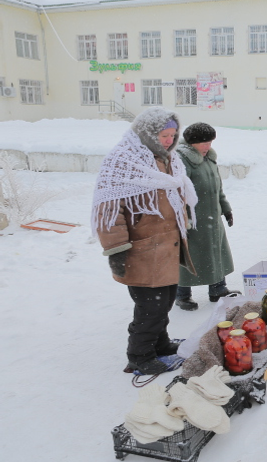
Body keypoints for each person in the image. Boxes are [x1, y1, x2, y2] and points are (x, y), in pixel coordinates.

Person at [92, 107, 198, 375]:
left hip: (167, 247)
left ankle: (160, 344)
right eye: (164, 135)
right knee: (150, 308)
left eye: (173, 135)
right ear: (147, 133)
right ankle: (140, 356)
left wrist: (183, 223)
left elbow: (176, 195)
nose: (169, 141)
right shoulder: (123, 160)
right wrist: (116, 250)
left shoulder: (169, 159)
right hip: (141, 251)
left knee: (165, 302)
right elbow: (108, 210)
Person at [175, 122, 238, 311]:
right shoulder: (181, 161)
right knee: (189, 256)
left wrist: (226, 209)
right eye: (204, 143)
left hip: (212, 217)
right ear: (191, 143)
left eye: (210, 142)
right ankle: (182, 295)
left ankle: (218, 289)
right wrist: (181, 221)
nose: (208, 146)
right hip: (192, 220)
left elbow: (217, 189)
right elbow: (176, 194)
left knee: (216, 252)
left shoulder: (209, 158)